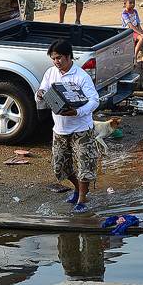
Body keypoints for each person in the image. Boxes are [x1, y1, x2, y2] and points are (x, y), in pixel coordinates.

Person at [36, 39, 100, 214]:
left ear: (68, 56)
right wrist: (40, 93)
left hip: (81, 129)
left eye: (59, 58)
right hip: (60, 129)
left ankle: (82, 198)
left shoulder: (81, 76)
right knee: (60, 167)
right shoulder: (51, 73)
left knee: (85, 166)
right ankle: (78, 188)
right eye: (54, 58)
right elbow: (42, 90)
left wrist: (77, 113)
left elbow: (94, 101)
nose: (56, 62)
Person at [121, 0, 143, 69]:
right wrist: (141, 34)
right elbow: (131, 26)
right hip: (129, 32)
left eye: (134, 3)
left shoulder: (135, 11)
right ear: (125, 4)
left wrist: (142, 32)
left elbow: (138, 24)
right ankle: (134, 57)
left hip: (136, 30)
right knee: (142, 38)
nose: (132, 5)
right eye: (130, 3)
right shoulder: (124, 14)